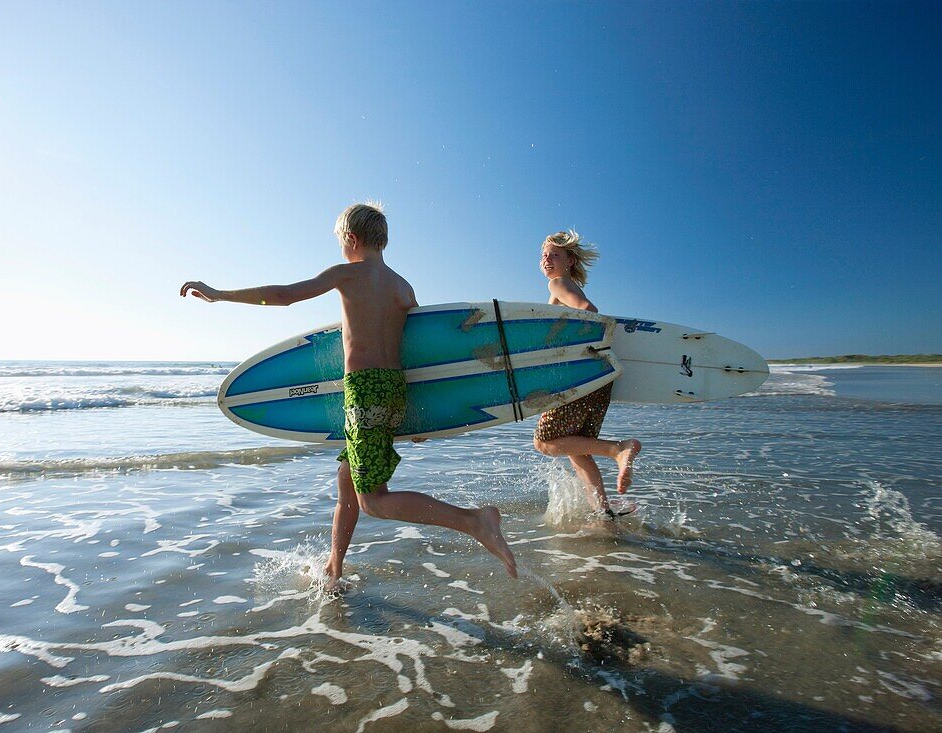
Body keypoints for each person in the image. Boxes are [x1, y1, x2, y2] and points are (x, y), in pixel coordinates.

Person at [181, 203, 517, 584]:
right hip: (393, 390)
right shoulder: (403, 286)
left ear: (351, 240)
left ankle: (474, 521)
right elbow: (421, 352)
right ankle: (334, 568)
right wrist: (424, 417)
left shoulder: (347, 274)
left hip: (364, 392)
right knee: (347, 480)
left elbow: (283, 295)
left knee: (373, 500)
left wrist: (220, 294)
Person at [533, 230, 641, 517]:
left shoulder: (558, 285)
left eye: (555, 254)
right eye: (544, 254)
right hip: (598, 375)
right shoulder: (567, 285)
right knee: (577, 450)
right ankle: (603, 513)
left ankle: (619, 449)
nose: (547, 259)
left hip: (579, 376)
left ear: (569, 261)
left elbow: (588, 311)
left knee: (545, 443)